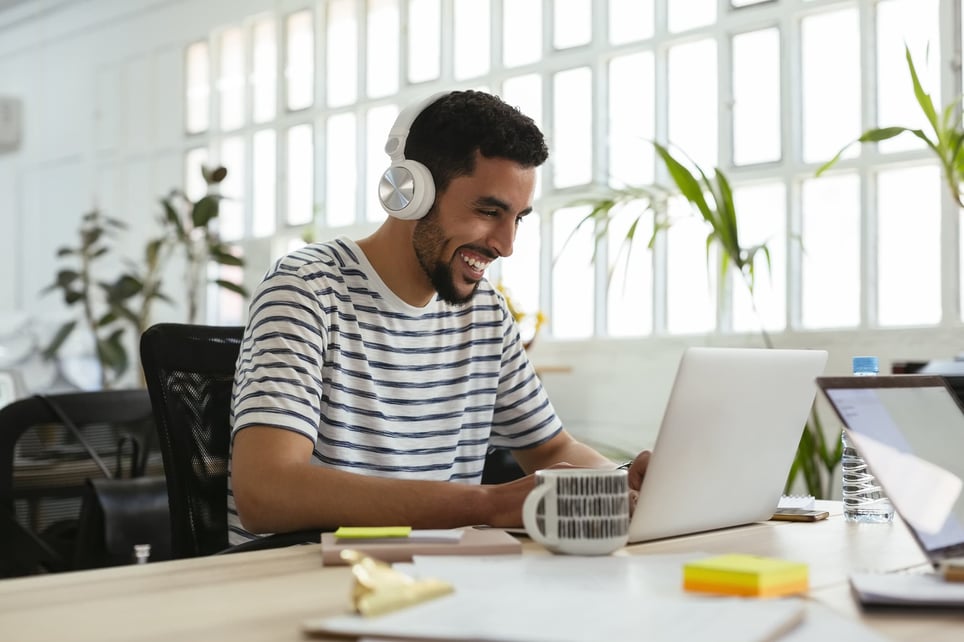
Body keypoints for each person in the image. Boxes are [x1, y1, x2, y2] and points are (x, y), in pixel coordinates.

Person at [228, 90, 650, 544]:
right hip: (304, 580)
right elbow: (265, 492)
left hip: (441, 579)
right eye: (489, 211)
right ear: (409, 193)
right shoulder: (307, 288)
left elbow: (551, 448)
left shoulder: (484, 311)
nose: (506, 245)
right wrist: (489, 505)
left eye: (518, 219)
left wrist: (623, 483)